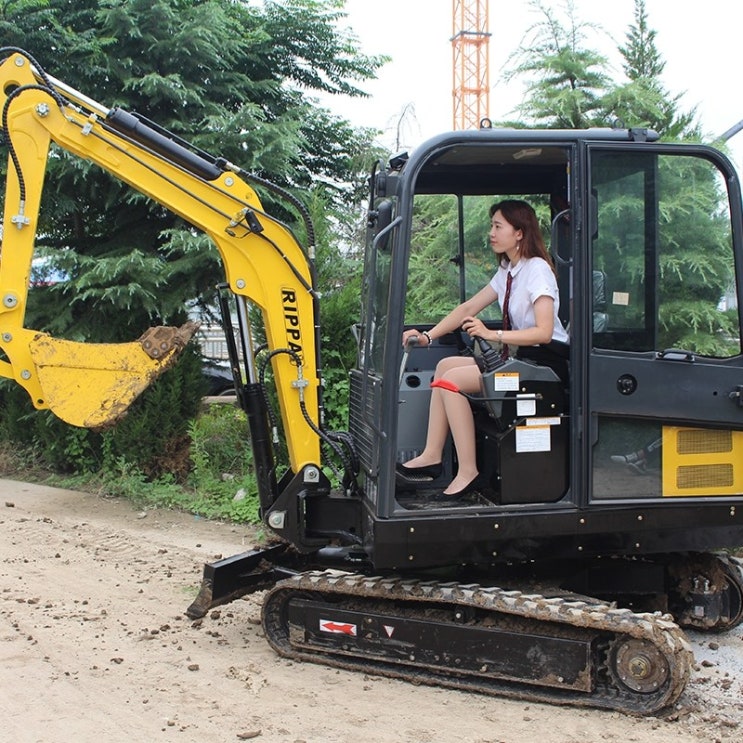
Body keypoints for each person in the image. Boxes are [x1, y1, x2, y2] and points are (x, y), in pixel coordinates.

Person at [397, 199, 569, 499]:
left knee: (451, 383)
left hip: (544, 367)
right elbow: (468, 307)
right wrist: (428, 337)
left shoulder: (537, 270)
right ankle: (432, 455)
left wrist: (492, 334)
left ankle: (468, 471)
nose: (491, 232)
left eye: (498, 226)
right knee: (444, 368)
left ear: (519, 232)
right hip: (521, 359)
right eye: (491, 225)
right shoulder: (509, 271)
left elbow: (543, 332)